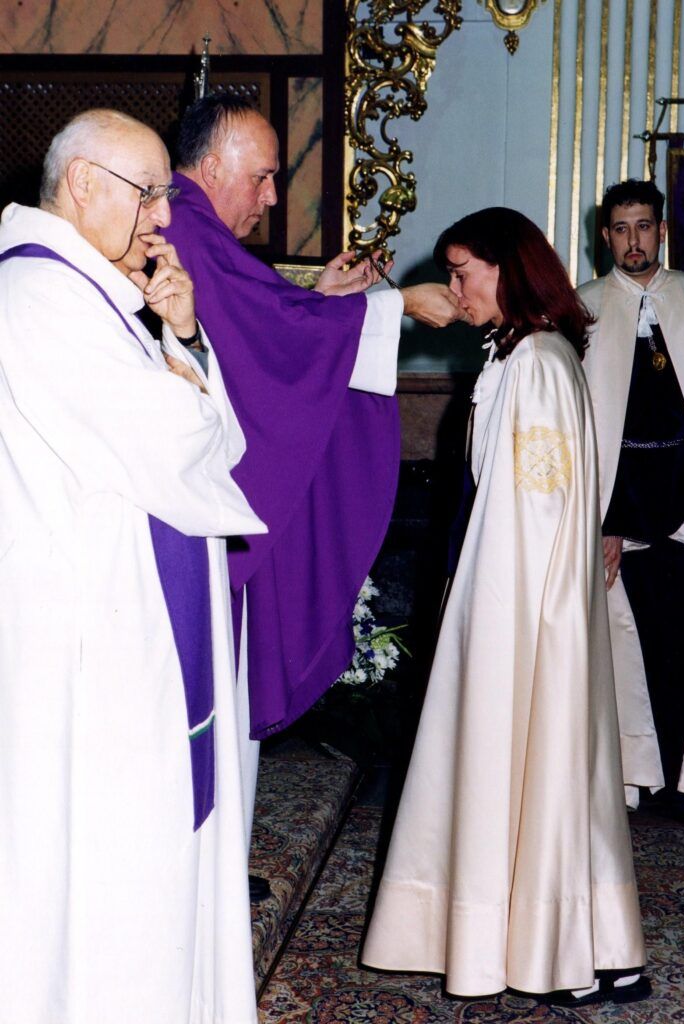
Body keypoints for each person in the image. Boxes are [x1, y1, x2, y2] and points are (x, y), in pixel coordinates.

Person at [0, 109, 267, 1024]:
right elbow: (179, 441)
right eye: (148, 192)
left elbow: (202, 438)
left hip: (122, 617)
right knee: (108, 865)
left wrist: (181, 336)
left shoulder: (91, 292)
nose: (162, 214)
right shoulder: (40, 297)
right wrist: (180, 377)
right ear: (82, 184)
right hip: (91, 638)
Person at [361, 208, 648, 1007]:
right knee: (543, 775)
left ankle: (558, 955)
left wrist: (497, 619)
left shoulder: (536, 363)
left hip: (522, 614)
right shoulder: (522, 355)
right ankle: (594, 949)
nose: (453, 289)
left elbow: (536, 518)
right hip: (516, 603)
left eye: (462, 273)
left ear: (507, 270)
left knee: (533, 767)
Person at [165, 96, 462, 845]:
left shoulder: (196, 228)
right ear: (211, 167)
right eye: (262, 177)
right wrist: (395, 306)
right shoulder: (185, 224)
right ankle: (208, 867)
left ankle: (219, 865)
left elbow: (253, 326)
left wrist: (324, 300)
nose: (271, 197)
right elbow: (262, 334)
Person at [579, 180, 684, 821]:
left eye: (644, 226)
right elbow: (586, 430)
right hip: (618, 511)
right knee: (620, 637)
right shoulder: (584, 309)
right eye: (621, 229)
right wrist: (604, 520)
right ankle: (631, 775)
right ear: (606, 237)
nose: (634, 241)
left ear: (663, 231)